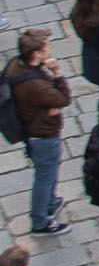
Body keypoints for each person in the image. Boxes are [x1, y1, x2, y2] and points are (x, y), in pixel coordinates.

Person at [4, 29, 71, 236]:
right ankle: (40, 221)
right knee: (45, 176)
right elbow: (64, 99)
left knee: (48, 172)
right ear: (36, 54)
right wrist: (58, 74)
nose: (49, 50)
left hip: (33, 129)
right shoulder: (35, 86)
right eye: (46, 48)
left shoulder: (16, 65)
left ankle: (50, 203)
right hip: (43, 135)